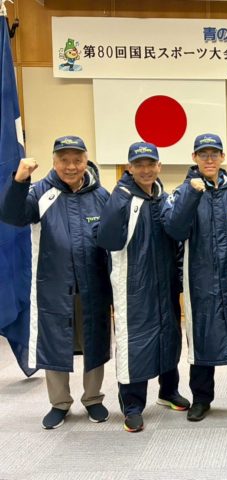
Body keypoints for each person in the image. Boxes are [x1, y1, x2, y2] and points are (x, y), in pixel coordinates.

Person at [0, 136, 111, 429]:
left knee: (94, 340)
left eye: (77, 160)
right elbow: (12, 215)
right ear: (54, 161)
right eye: (64, 160)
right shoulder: (40, 191)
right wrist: (19, 181)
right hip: (53, 284)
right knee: (54, 341)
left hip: (93, 284)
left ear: (86, 161)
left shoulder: (101, 195)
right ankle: (59, 403)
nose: (71, 166)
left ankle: (93, 398)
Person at [162, 133, 227, 423]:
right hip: (200, 283)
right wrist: (193, 194)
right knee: (202, 342)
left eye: (214, 154)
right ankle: (202, 399)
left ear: (222, 157)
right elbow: (175, 230)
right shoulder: (182, 193)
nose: (209, 159)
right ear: (194, 158)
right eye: (203, 154)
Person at [97, 142, 190, 433]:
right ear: (129, 168)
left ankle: (168, 391)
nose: (146, 170)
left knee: (168, 336)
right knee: (134, 343)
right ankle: (133, 405)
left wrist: (177, 276)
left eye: (151, 164)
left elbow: (176, 238)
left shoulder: (163, 198)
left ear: (159, 166)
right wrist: (118, 199)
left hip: (165, 283)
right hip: (133, 286)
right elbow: (107, 239)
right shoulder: (122, 197)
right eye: (139, 165)